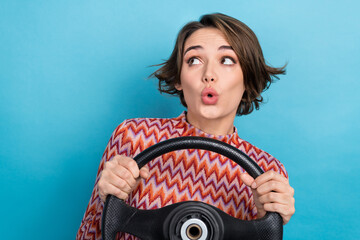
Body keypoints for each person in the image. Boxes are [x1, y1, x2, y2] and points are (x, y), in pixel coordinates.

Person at [76, 13, 295, 240]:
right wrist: (105, 200)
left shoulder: (267, 171)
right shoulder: (133, 136)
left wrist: (266, 219)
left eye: (227, 60)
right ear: (179, 78)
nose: (209, 75)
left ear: (248, 79)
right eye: (194, 60)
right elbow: (88, 234)